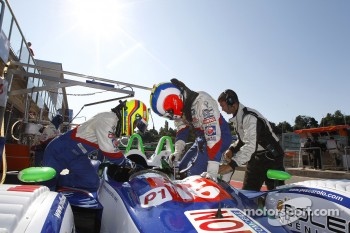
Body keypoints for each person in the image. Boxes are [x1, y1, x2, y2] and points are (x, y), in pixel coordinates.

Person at [42, 99, 149, 191]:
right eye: (135, 124)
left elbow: (110, 150)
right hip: (58, 151)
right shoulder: (108, 119)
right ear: (131, 114)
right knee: (47, 188)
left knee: (92, 182)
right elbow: (109, 151)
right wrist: (132, 165)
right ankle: (53, 184)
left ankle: (59, 182)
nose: (134, 128)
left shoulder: (115, 126)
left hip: (78, 156)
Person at [150, 79, 232, 181]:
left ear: (174, 102)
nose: (171, 117)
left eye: (169, 113)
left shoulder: (203, 102)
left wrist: (212, 171)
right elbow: (182, 131)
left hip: (220, 136)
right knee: (181, 168)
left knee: (193, 175)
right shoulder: (180, 109)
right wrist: (177, 152)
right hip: (201, 139)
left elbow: (213, 137)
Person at [217, 89, 285, 191]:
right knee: (248, 193)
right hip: (255, 158)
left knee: (276, 195)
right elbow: (242, 140)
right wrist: (232, 149)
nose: (222, 109)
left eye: (223, 106)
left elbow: (250, 145)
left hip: (272, 158)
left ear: (233, 104)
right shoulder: (238, 118)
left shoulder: (250, 117)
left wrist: (231, 165)